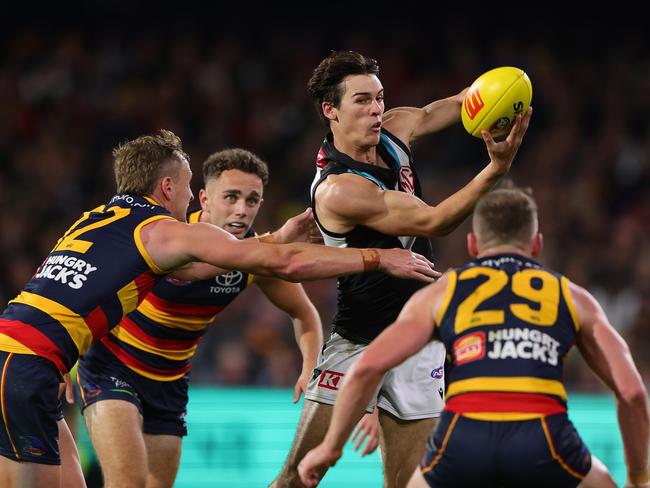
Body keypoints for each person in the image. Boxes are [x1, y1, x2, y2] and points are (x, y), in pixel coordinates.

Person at [0, 129, 438, 488]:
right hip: (65, 365)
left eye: (252, 200)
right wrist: (379, 257)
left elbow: (203, 270)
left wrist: (275, 240)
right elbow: (283, 263)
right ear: (169, 188)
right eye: (193, 189)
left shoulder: (98, 218)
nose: (190, 198)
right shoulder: (167, 233)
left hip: (49, 361)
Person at [271, 50, 532, 487]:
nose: (376, 109)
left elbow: (446, 106)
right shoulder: (339, 189)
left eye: (379, 97)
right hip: (361, 341)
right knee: (298, 478)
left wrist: (500, 98)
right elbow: (435, 221)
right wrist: (495, 169)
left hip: (420, 339)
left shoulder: (394, 128)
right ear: (329, 110)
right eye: (361, 100)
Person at [297, 187, 650, 488]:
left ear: (473, 244)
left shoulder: (443, 291)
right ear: (537, 244)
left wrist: (331, 447)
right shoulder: (572, 296)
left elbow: (367, 368)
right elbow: (632, 392)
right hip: (543, 436)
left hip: (463, 438)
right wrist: (638, 476)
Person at [71, 147, 369, 488]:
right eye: (231, 197)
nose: (241, 210)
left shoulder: (257, 259)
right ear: (204, 199)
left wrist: (310, 366)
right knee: (128, 482)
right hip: (113, 367)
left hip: (169, 383)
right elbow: (94, 285)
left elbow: (303, 313)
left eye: (252, 200)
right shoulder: (169, 233)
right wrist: (64, 355)